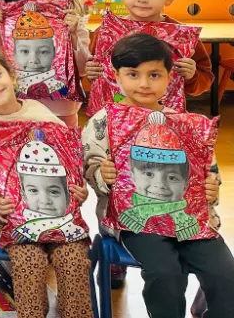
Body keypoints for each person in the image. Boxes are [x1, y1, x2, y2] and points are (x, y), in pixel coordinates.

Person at [83, 34, 229, 318]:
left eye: (154, 74)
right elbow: (89, 166)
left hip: (188, 218)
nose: (144, 84)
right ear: (116, 75)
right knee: (165, 273)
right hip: (137, 223)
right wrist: (102, 174)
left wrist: (211, 188)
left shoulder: (183, 123)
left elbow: (207, 169)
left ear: (169, 77)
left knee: (224, 272)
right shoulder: (104, 121)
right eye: (133, 74)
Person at [0, 43, 92, 318]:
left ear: (11, 75)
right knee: (30, 262)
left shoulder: (37, 110)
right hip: (12, 214)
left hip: (60, 213)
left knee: (74, 259)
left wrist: (80, 189)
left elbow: (68, 158)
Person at [86, 0, 213, 95]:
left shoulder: (183, 36)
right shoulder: (106, 32)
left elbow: (205, 80)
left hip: (163, 108)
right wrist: (91, 72)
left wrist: (192, 75)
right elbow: (97, 75)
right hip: (118, 108)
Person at [0, 0, 89, 126]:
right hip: (22, 107)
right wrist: (0, 30)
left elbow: (83, 69)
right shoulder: (12, 21)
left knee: (64, 143)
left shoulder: (72, 21)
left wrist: (74, 35)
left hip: (62, 109)